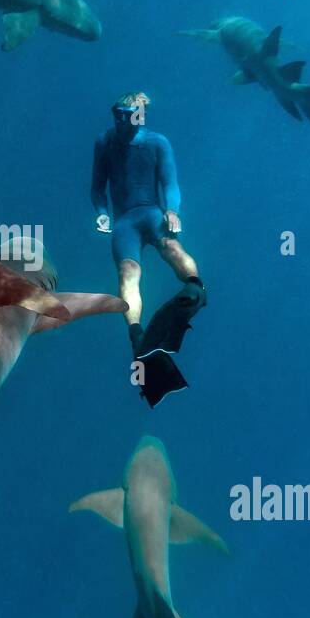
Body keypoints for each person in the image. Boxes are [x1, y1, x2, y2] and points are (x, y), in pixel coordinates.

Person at [90, 92, 206, 405]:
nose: (120, 120)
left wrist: (173, 210)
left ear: (139, 115)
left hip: (151, 213)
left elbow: (170, 183)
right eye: (117, 113)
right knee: (128, 270)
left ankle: (195, 287)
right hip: (124, 222)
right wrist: (101, 212)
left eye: (127, 114)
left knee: (170, 246)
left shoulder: (157, 142)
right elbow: (97, 187)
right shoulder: (104, 142)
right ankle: (137, 335)